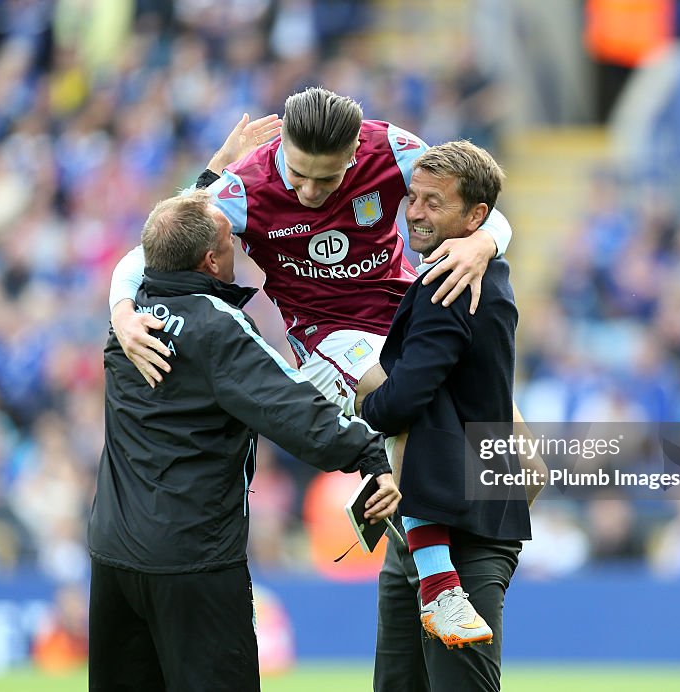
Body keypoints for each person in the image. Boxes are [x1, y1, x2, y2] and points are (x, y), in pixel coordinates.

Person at [87, 188, 401, 692]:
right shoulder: (218, 326)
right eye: (230, 239)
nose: (239, 243)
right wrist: (368, 452)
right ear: (211, 260)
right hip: (193, 560)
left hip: (113, 556)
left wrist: (213, 175)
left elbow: (157, 238)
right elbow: (292, 407)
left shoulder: (125, 320)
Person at [108, 87, 514, 418]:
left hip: (403, 309)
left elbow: (482, 209)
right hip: (327, 335)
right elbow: (146, 253)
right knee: (411, 403)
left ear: (355, 150)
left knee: (523, 465)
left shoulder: (392, 148)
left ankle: (466, 515)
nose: (310, 192)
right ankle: (392, 501)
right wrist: (123, 314)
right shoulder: (245, 188)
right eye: (298, 175)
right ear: (282, 145)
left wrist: (483, 242)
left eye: (328, 179)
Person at [357, 141, 533, 690]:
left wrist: (362, 396)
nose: (414, 212)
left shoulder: (446, 284)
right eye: (413, 197)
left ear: (476, 218)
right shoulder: (484, 270)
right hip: (433, 518)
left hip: (462, 529)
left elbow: (401, 404)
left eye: (434, 203)